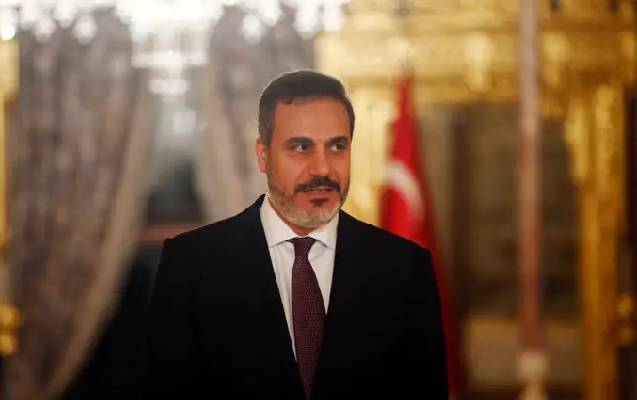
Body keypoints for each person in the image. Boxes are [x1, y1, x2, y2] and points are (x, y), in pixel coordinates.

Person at [145, 70, 448, 399]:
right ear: (263, 155)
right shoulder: (191, 265)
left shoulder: (404, 268)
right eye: (301, 147)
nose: (322, 168)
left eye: (337, 146)